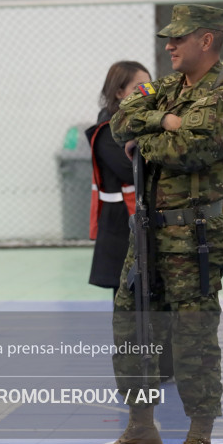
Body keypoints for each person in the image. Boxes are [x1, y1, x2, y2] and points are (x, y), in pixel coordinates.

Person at [90, 4, 223, 444]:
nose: (169, 46)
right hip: (146, 234)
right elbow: (120, 119)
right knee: (132, 331)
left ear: (207, 40)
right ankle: (140, 429)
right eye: (167, 38)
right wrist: (165, 122)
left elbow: (194, 149)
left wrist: (150, 133)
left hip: (194, 237)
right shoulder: (166, 89)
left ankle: (199, 442)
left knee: (192, 339)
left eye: (178, 38)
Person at [87, 61, 151, 292]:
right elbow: (132, 170)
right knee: (129, 305)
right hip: (122, 232)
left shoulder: (146, 126)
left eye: (149, 87)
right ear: (119, 93)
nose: (146, 92)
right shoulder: (106, 132)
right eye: (139, 87)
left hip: (143, 225)